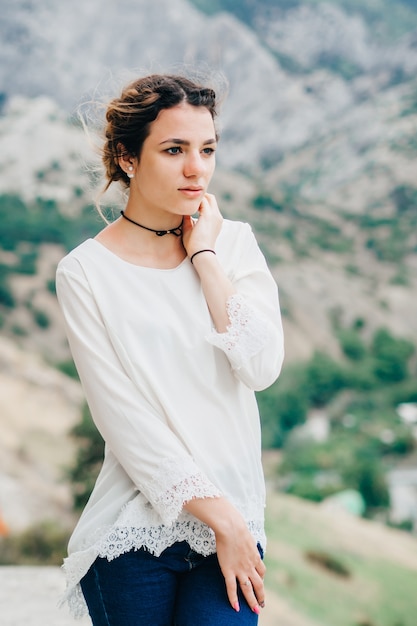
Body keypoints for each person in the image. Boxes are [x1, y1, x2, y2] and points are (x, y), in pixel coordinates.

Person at [56, 73, 284, 626]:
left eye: (207, 149)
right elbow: (125, 421)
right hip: (132, 538)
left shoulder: (234, 244)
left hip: (231, 532)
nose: (196, 168)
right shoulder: (85, 272)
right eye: (174, 149)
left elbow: (260, 365)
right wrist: (221, 517)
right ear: (127, 158)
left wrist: (204, 257)